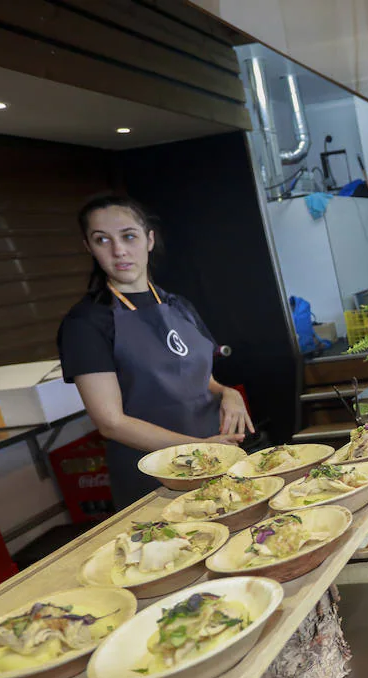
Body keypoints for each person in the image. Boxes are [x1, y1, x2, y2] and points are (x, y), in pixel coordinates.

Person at [57, 193, 252, 508]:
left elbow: (201, 378)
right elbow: (111, 422)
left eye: (128, 236)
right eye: (102, 240)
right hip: (154, 478)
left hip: (217, 459)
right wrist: (199, 448)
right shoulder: (86, 323)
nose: (119, 250)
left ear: (149, 239)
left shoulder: (178, 305)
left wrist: (228, 393)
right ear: (89, 248)